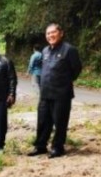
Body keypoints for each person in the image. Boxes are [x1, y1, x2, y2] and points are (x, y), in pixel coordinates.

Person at [28, 23, 82, 158]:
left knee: (60, 122)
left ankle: (58, 147)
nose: (50, 35)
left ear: (61, 33)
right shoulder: (45, 51)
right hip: (45, 93)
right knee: (42, 121)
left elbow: (76, 69)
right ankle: (40, 146)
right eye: (48, 33)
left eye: (53, 32)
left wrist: (64, 82)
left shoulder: (69, 50)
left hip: (61, 94)